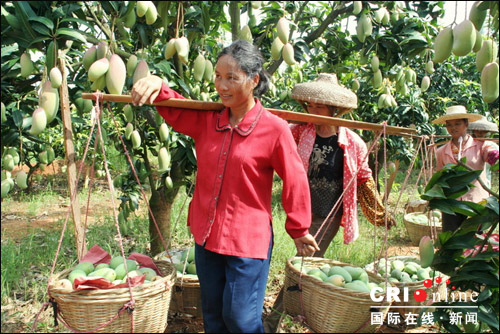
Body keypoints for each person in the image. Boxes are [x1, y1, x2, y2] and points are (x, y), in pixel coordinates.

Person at [131, 40, 319, 333]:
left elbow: (294, 178)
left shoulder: (274, 128)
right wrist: (156, 83)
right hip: (206, 236)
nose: (222, 85)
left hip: (247, 241)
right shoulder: (208, 119)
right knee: (214, 317)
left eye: (232, 77)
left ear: (254, 80)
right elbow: (175, 106)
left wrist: (299, 228)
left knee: (241, 320)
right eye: (218, 76)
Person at [264, 73, 395, 333]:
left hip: (330, 215)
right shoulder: (299, 132)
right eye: (310, 105)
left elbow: (364, 177)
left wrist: (379, 212)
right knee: (302, 265)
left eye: (319, 106)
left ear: (334, 109)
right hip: (300, 213)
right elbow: (275, 145)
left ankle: (274, 320)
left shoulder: (353, 142)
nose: (313, 110)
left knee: (302, 265)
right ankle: (293, 314)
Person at [432, 105, 499, 232]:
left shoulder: (480, 146)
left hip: (476, 202)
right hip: (452, 202)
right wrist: (435, 197)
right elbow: (440, 176)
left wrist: (494, 156)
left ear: (466, 124)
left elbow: (491, 153)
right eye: (450, 125)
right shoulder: (441, 151)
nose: (453, 128)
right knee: (451, 240)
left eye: (457, 124)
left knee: (475, 241)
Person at [468, 115, 499, 187]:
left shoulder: (492, 146)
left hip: (485, 183)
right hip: (469, 184)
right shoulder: (468, 145)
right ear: (473, 130)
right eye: (477, 130)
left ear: (486, 131)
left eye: (483, 131)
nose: (480, 133)